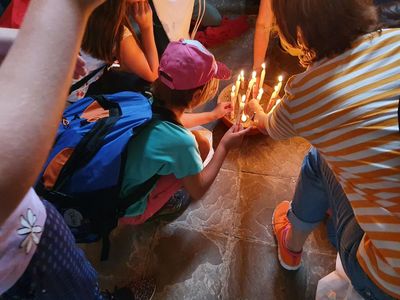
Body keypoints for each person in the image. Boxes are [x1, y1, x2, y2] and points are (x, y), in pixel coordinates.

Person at [0, 1, 156, 299]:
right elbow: (152, 71)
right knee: (81, 288)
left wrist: (35, 46)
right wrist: (68, 9)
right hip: (22, 255)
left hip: (31, 220)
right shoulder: (115, 33)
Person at [246, 0, 400, 299]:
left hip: (386, 277)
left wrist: (257, 110)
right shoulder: (395, 41)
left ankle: (291, 245)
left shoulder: (306, 92)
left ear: (299, 33)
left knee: (317, 158)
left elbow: (271, 127)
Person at [119, 39, 250, 225]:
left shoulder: (145, 97)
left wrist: (212, 115)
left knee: (201, 142)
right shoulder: (181, 142)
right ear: (196, 96)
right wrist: (224, 146)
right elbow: (198, 189)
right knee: (199, 147)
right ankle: (158, 209)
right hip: (127, 208)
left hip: (114, 183)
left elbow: (170, 120)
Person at [68, 0, 159, 103]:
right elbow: (153, 74)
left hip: (55, 77)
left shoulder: (82, 5)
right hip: (70, 93)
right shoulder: (117, 34)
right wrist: (147, 27)